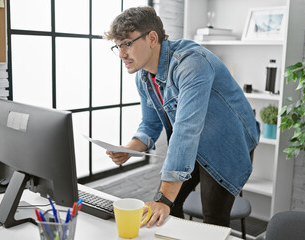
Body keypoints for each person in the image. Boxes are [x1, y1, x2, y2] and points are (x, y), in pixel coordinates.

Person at [104, 6, 260, 228]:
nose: (121, 54)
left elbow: (186, 129)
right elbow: (150, 123)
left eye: (127, 44)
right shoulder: (143, 77)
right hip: (190, 142)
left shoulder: (191, 63)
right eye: (117, 46)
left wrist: (164, 199)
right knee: (168, 208)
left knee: (212, 218)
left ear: (152, 38)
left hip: (226, 141)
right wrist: (128, 149)